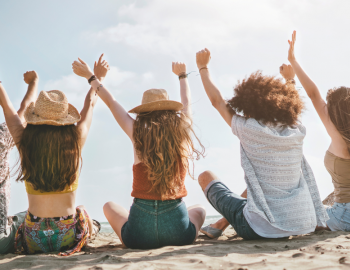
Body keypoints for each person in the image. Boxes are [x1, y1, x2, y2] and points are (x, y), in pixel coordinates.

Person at [196, 48, 329, 240]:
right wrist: (290, 80)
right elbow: (294, 107)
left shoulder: (249, 128)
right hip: (298, 224)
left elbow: (217, 101)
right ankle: (219, 224)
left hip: (259, 229)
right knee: (258, 184)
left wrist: (203, 66)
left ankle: (220, 224)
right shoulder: (296, 129)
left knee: (206, 177)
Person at [72, 58, 206, 249]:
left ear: (143, 113)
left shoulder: (137, 133)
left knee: (109, 206)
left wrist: (91, 77)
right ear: (170, 111)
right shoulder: (181, 133)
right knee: (199, 209)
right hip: (178, 232)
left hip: (139, 235)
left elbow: (111, 103)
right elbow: (187, 104)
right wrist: (182, 76)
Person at [0, 55, 108, 256]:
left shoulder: (25, 142)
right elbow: (90, 105)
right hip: (67, 238)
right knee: (83, 213)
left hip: (33, 240)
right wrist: (97, 78)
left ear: (36, 117)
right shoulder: (75, 140)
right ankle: (93, 225)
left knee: (23, 217)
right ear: (65, 118)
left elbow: (7, 110)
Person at [287, 31, 350, 231]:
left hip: (343, 216)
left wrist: (293, 62)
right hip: (342, 209)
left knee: (293, 212)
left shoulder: (340, 140)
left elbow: (314, 95)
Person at [0, 71, 38, 254]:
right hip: (0, 242)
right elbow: (23, 110)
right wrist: (33, 83)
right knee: (26, 217)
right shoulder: (2, 139)